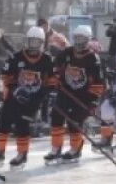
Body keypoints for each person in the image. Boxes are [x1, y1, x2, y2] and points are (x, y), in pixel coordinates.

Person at [0, 26, 56, 168]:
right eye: (32, 41)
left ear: (42, 43)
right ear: (27, 41)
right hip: (14, 97)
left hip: (33, 100)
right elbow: (6, 76)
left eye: (37, 42)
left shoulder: (47, 60)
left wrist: (42, 94)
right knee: (4, 121)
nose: (34, 45)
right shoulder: (16, 57)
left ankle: (22, 154)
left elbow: (52, 81)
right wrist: (15, 89)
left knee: (22, 125)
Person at [45, 25, 105, 163]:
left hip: (83, 97)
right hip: (66, 93)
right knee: (56, 116)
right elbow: (55, 69)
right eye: (76, 38)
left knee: (75, 121)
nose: (78, 42)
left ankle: (75, 148)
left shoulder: (92, 59)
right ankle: (56, 148)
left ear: (87, 40)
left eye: (81, 39)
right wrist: (54, 83)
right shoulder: (66, 53)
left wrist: (92, 101)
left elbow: (98, 82)